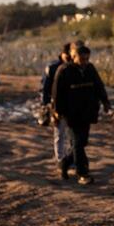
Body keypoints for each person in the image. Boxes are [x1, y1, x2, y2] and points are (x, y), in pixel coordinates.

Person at [50, 44, 110, 186]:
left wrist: (105, 102)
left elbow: (99, 86)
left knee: (82, 143)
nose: (85, 61)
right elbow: (56, 93)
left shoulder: (90, 69)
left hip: (87, 112)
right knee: (77, 143)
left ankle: (64, 164)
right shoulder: (64, 70)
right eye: (82, 58)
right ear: (74, 57)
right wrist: (57, 111)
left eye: (87, 58)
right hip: (71, 114)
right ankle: (82, 173)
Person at [42, 42, 81, 178]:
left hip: (71, 106)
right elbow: (46, 87)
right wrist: (46, 104)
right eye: (67, 54)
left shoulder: (75, 67)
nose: (69, 57)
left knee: (72, 136)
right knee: (59, 135)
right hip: (56, 106)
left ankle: (70, 161)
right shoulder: (53, 67)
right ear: (62, 54)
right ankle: (60, 160)